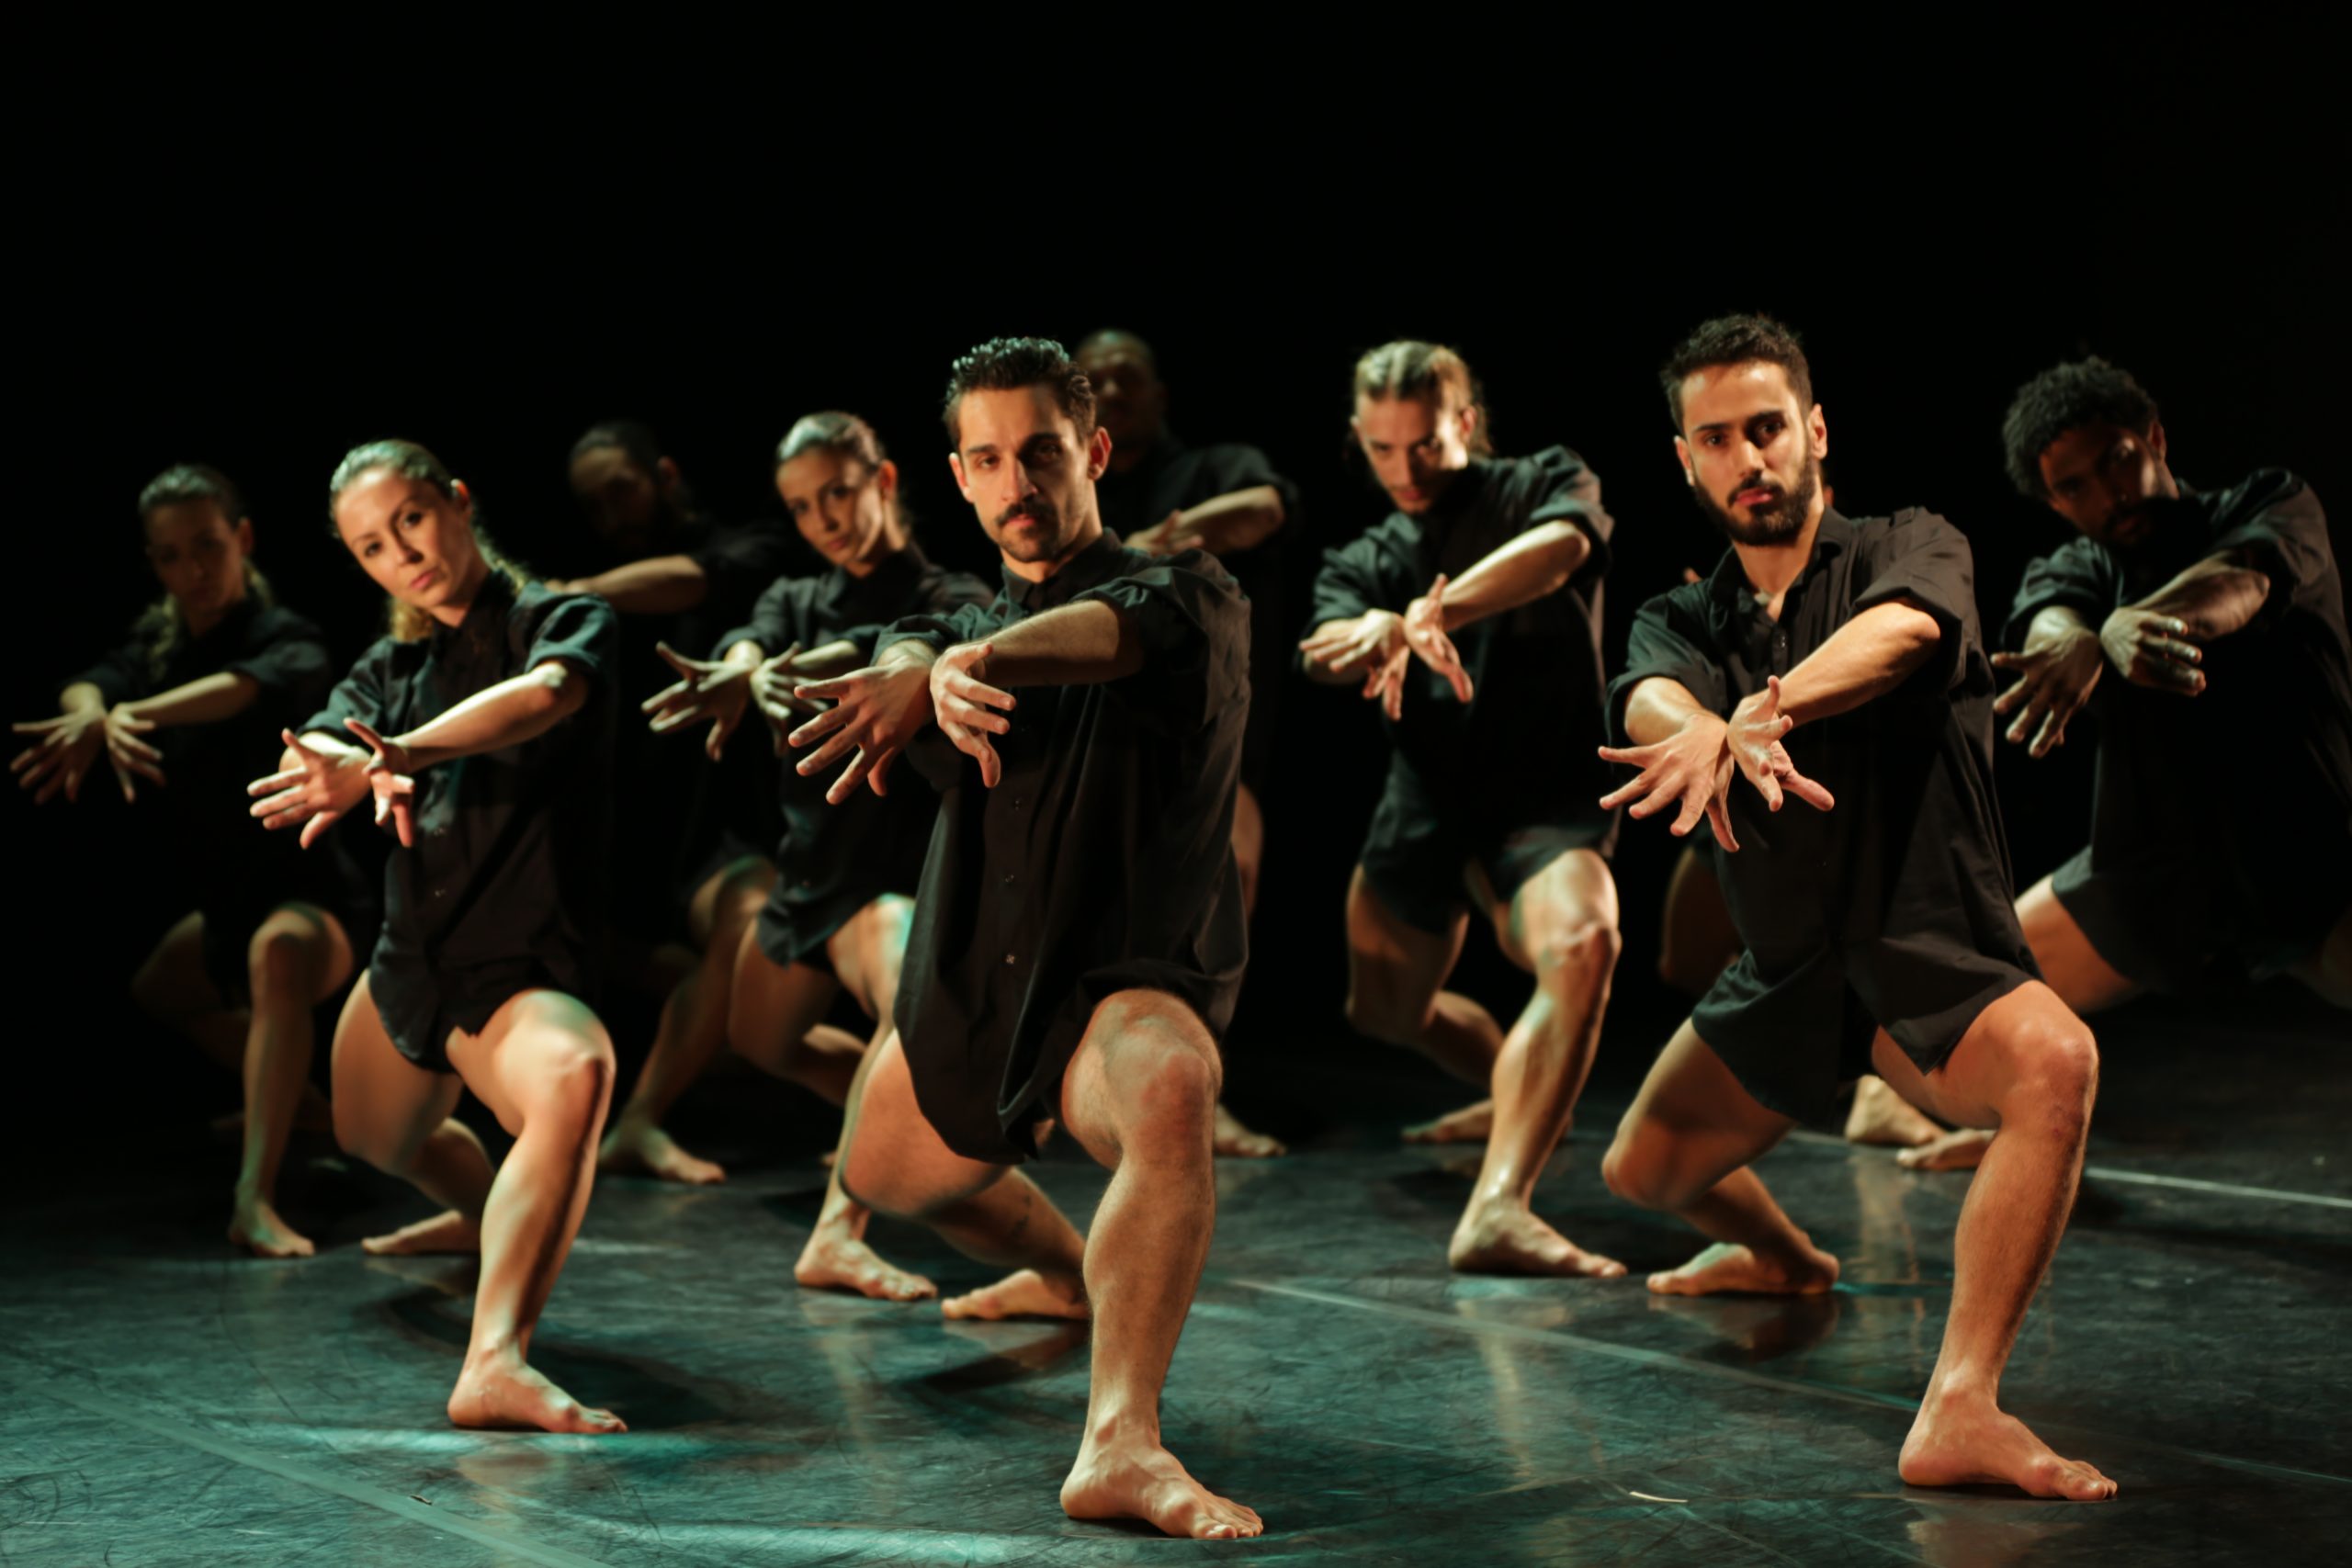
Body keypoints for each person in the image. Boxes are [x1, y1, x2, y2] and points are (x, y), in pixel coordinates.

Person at [1598, 313, 2114, 1500]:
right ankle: (1787, 1256)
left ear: (1815, 430)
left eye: (1767, 428)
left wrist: (1759, 713)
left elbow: (1902, 634)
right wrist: (1699, 728)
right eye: (1716, 439)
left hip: (1918, 949)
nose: (1748, 458)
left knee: (2056, 1063)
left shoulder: (1910, 543)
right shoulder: (1678, 616)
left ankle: (1961, 1402)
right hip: (1785, 969)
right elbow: (1649, 702)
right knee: (1639, 1172)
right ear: (1685, 459)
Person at [786, 338, 1260, 1540]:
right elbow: (914, 639)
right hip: (967, 999)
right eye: (989, 460)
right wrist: (919, 662)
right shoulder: (952, 619)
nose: (1018, 483)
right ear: (956, 475)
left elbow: (1105, 634)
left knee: (1169, 1085)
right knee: (881, 1176)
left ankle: (1121, 1441)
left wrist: (970, 662)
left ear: (1092, 451)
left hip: (1109, 989)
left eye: (1041, 452)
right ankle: (1063, 1270)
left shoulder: (1188, 593)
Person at [248, 439, 626, 1435]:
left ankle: (494, 1360)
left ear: (459, 500)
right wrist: (329, 762)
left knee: (575, 1072)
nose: (401, 554)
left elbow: (547, 695)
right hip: (412, 964)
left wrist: (401, 754)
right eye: (371, 546)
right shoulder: (391, 666)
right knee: (372, 1136)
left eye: (411, 519)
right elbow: (333, 731)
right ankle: (478, 1213)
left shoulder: (563, 617)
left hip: (517, 969)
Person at [1899, 356, 2352, 1171]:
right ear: (2055, 504)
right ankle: (1962, 1116)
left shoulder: (2269, 501)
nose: (2108, 494)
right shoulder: (2074, 569)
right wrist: (2073, 638)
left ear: (2155, 439)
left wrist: (2124, 628)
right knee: (1962, 994)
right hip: (2154, 873)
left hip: (2307, 854)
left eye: (2116, 460)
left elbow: (2241, 582)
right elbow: (2048, 625)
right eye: (2074, 487)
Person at [634, 411, 990, 1298]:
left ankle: (839, 1228)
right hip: (808, 875)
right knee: (759, 1038)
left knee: (906, 1000)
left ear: (884, 480)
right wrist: (742, 664)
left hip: (890, 876)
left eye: (838, 491)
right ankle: (903, 1123)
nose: (823, 518)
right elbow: (754, 638)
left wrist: (776, 670)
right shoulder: (793, 596)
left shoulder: (953, 593)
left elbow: (883, 648)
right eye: (801, 506)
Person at [1298, 340, 1624, 1276]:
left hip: (1544, 799)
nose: (1405, 470)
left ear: (1466, 424)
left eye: (1425, 446)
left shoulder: (1539, 482)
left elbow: (1563, 549)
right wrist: (1369, 633)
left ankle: (1498, 1205)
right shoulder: (1368, 555)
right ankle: (1519, 1087)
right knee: (1383, 1011)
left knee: (1584, 943)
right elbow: (1320, 647)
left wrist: (1432, 615)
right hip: (1427, 804)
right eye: (1382, 450)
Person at [13, 465, 367, 1258]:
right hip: (225, 906)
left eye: (208, 546)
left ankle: (254, 1197)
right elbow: (87, 683)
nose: (194, 569)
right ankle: (300, 1100)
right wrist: (91, 714)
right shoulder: (157, 642)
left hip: (312, 898)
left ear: (243, 538)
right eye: (172, 555)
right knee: (158, 989)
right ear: (154, 563)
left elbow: (237, 689)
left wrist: (127, 714)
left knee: (276, 955)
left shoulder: (289, 636)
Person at [556, 420, 797, 1184]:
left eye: (621, 490)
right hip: (631, 838)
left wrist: (575, 592)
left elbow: (701, 577)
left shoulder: (751, 546)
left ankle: (640, 1117)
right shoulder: (591, 610)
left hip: (721, 825)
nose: (611, 514)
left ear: (664, 475)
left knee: (749, 926)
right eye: (594, 505)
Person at [1076, 329, 1295, 1159]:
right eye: (1095, 380)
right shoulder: (1071, 487)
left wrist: (1164, 540)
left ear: (1160, 393)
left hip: (1208, 745)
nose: (1112, 390)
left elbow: (1266, 506)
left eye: (1127, 377)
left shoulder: (1212, 467)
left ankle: (1204, 1095)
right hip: (1104, 749)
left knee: (1224, 890)